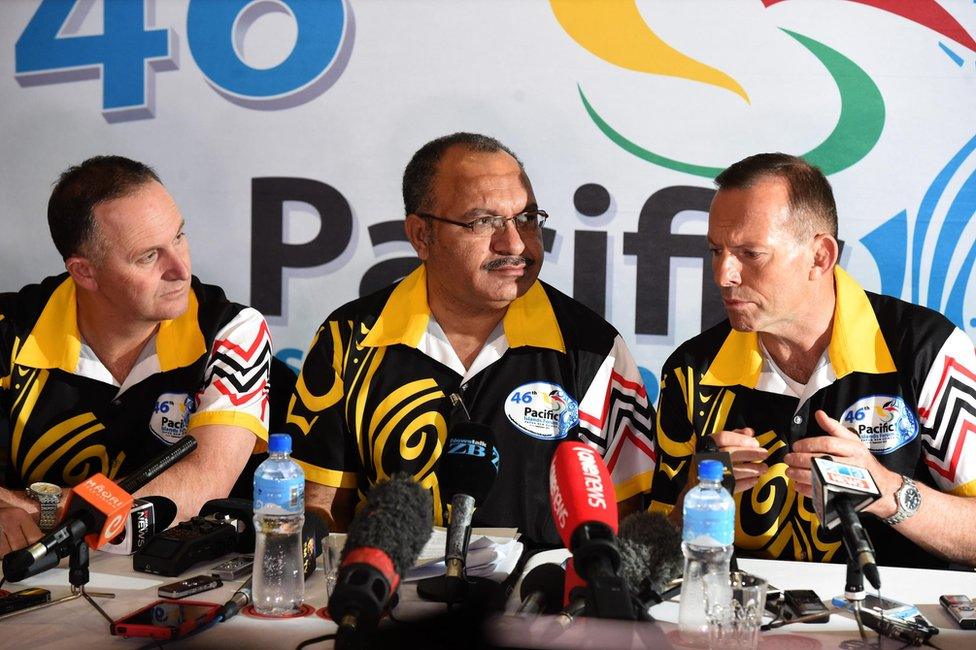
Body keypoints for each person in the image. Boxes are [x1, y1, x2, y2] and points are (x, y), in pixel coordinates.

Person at [283, 133, 655, 544]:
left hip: (538, 604)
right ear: (422, 235)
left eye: (527, 219)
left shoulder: (593, 350)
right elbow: (320, 512)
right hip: (385, 601)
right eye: (484, 222)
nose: (514, 243)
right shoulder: (347, 340)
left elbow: (624, 526)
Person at [650, 152, 976, 569]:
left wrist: (887, 491)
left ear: (820, 256)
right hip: (743, 625)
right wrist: (696, 495)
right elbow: (654, 552)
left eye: (750, 254)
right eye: (716, 250)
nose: (723, 274)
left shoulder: (926, 350)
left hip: (899, 630)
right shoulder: (690, 370)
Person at [0, 156, 271, 556]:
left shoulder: (232, 330)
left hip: (173, 579)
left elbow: (203, 482)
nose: (180, 268)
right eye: (148, 256)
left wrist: (37, 508)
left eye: (179, 237)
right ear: (85, 272)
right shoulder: (9, 330)